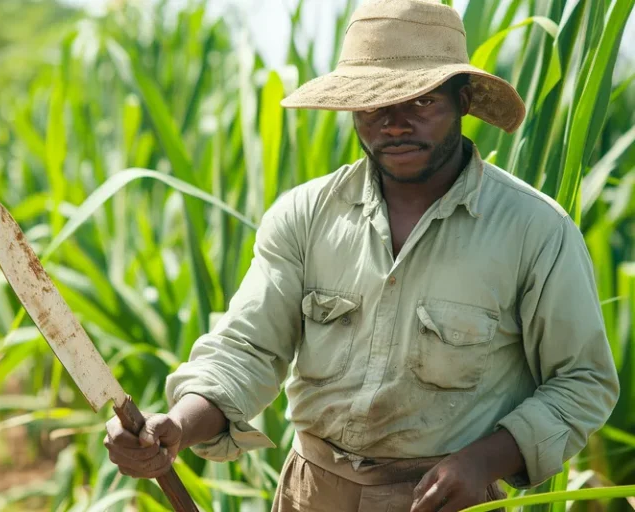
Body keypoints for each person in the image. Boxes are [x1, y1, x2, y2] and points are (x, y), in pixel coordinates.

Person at [103, 0, 620, 510]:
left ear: (462, 101)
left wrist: (483, 462)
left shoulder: (534, 229)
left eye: (420, 102)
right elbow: (248, 350)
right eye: (372, 104)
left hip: (445, 499)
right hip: (311, 493)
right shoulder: (305, 215)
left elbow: (583, 382)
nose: (394, 124)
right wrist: (177, 426)